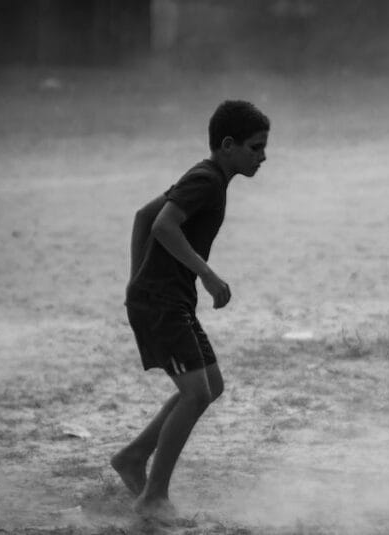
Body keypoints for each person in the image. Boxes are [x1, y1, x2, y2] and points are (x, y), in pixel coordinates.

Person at [110, 100, 270, 523]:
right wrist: (207, 275)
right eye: (255, 148)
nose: (263, 157)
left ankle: (132, 457)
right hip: (163, 301)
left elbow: (144, 215)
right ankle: (153, 497)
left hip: (168, 298)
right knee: (196, 392)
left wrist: (136, 278)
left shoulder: (207, 176)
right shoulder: (206, 180)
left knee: (209, 385)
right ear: (228, 145)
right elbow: (162, 225)